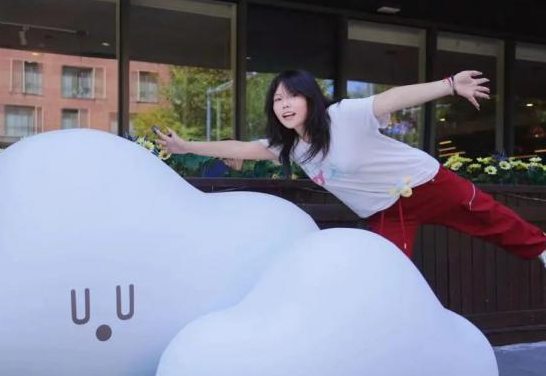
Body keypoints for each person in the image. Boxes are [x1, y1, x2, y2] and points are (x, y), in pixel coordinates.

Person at [154, 69, 546, 267]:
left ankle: (542, 249)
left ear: (310, 99)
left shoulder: (343, 115)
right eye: (277, 100)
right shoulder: (288, 147)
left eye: (292, 97)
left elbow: (393, 98)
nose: (284, 105)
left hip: (426, 182)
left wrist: (449, 84)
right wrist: (185, 145)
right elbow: (240, 147)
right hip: (386, 212)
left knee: (490, 219)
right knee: (387, 272)